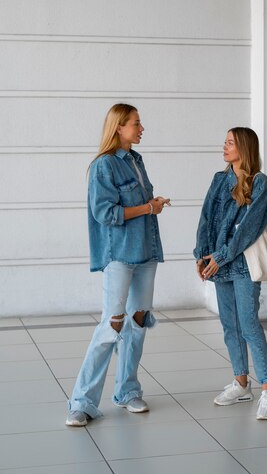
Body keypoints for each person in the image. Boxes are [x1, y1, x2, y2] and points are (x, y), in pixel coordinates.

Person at [66, 103, 170, 426]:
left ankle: (127, 391)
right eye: (136, 124)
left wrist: (152, 207)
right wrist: (148, 208)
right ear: (119, 128)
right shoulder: (103, 166)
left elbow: (139, 208)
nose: (142, 129)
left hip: (147, 252)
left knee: (138, 320)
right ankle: (82, 402)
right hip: (120, 255)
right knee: (111, 323)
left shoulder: (137, 161)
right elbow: (106, 214)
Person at [194, 127, 267, 420]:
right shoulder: (219, 179)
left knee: (249, 325)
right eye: (226, 142)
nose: (225, 146)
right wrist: (200, 255)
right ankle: (241, 383)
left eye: (230, 142)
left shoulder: (259, 182)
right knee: (230, 326)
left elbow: (250, 228)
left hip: (241, 266)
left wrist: (220, 256)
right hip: (218, 265)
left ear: (244, 147)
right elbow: (206, 218)